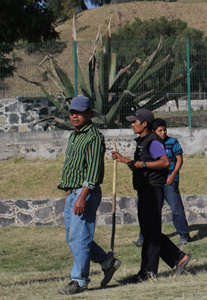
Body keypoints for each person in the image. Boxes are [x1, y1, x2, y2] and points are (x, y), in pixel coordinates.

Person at [112, 109, 191, 282]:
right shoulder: (143, 141)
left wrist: (143, 164)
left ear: (144, 123)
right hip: (145, 189)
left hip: (152, 189)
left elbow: (164, 162)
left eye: (135, 121)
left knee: (151, 232)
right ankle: (178, 258)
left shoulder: (153, 141)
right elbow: (140, 164)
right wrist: (124, 159)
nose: (132, 124)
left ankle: (147, 273)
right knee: (150, 231)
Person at [57, 96, 121, 295]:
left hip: (85, 192)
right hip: (72, 192)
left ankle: (80, 280)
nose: (74, 116)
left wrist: (82, 196)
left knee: (79, 237)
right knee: (74, 237)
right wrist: (70, 193)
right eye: (72, 112)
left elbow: (93, 172)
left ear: (89, 114)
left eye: (79, 113)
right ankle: (106, 261)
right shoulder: (74, 135)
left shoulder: (93, 136)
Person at [133, 119, 191, 247]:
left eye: (165, 130)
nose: (163, 132)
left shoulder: (172, 142)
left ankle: (184, 235)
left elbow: (179, 160)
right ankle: (143, 237)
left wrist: (173, 174)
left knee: (176, 209)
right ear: (153, 131)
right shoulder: (150, 143)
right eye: (160, 130)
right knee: (151, 211)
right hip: (154, 182)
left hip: (169, 181)